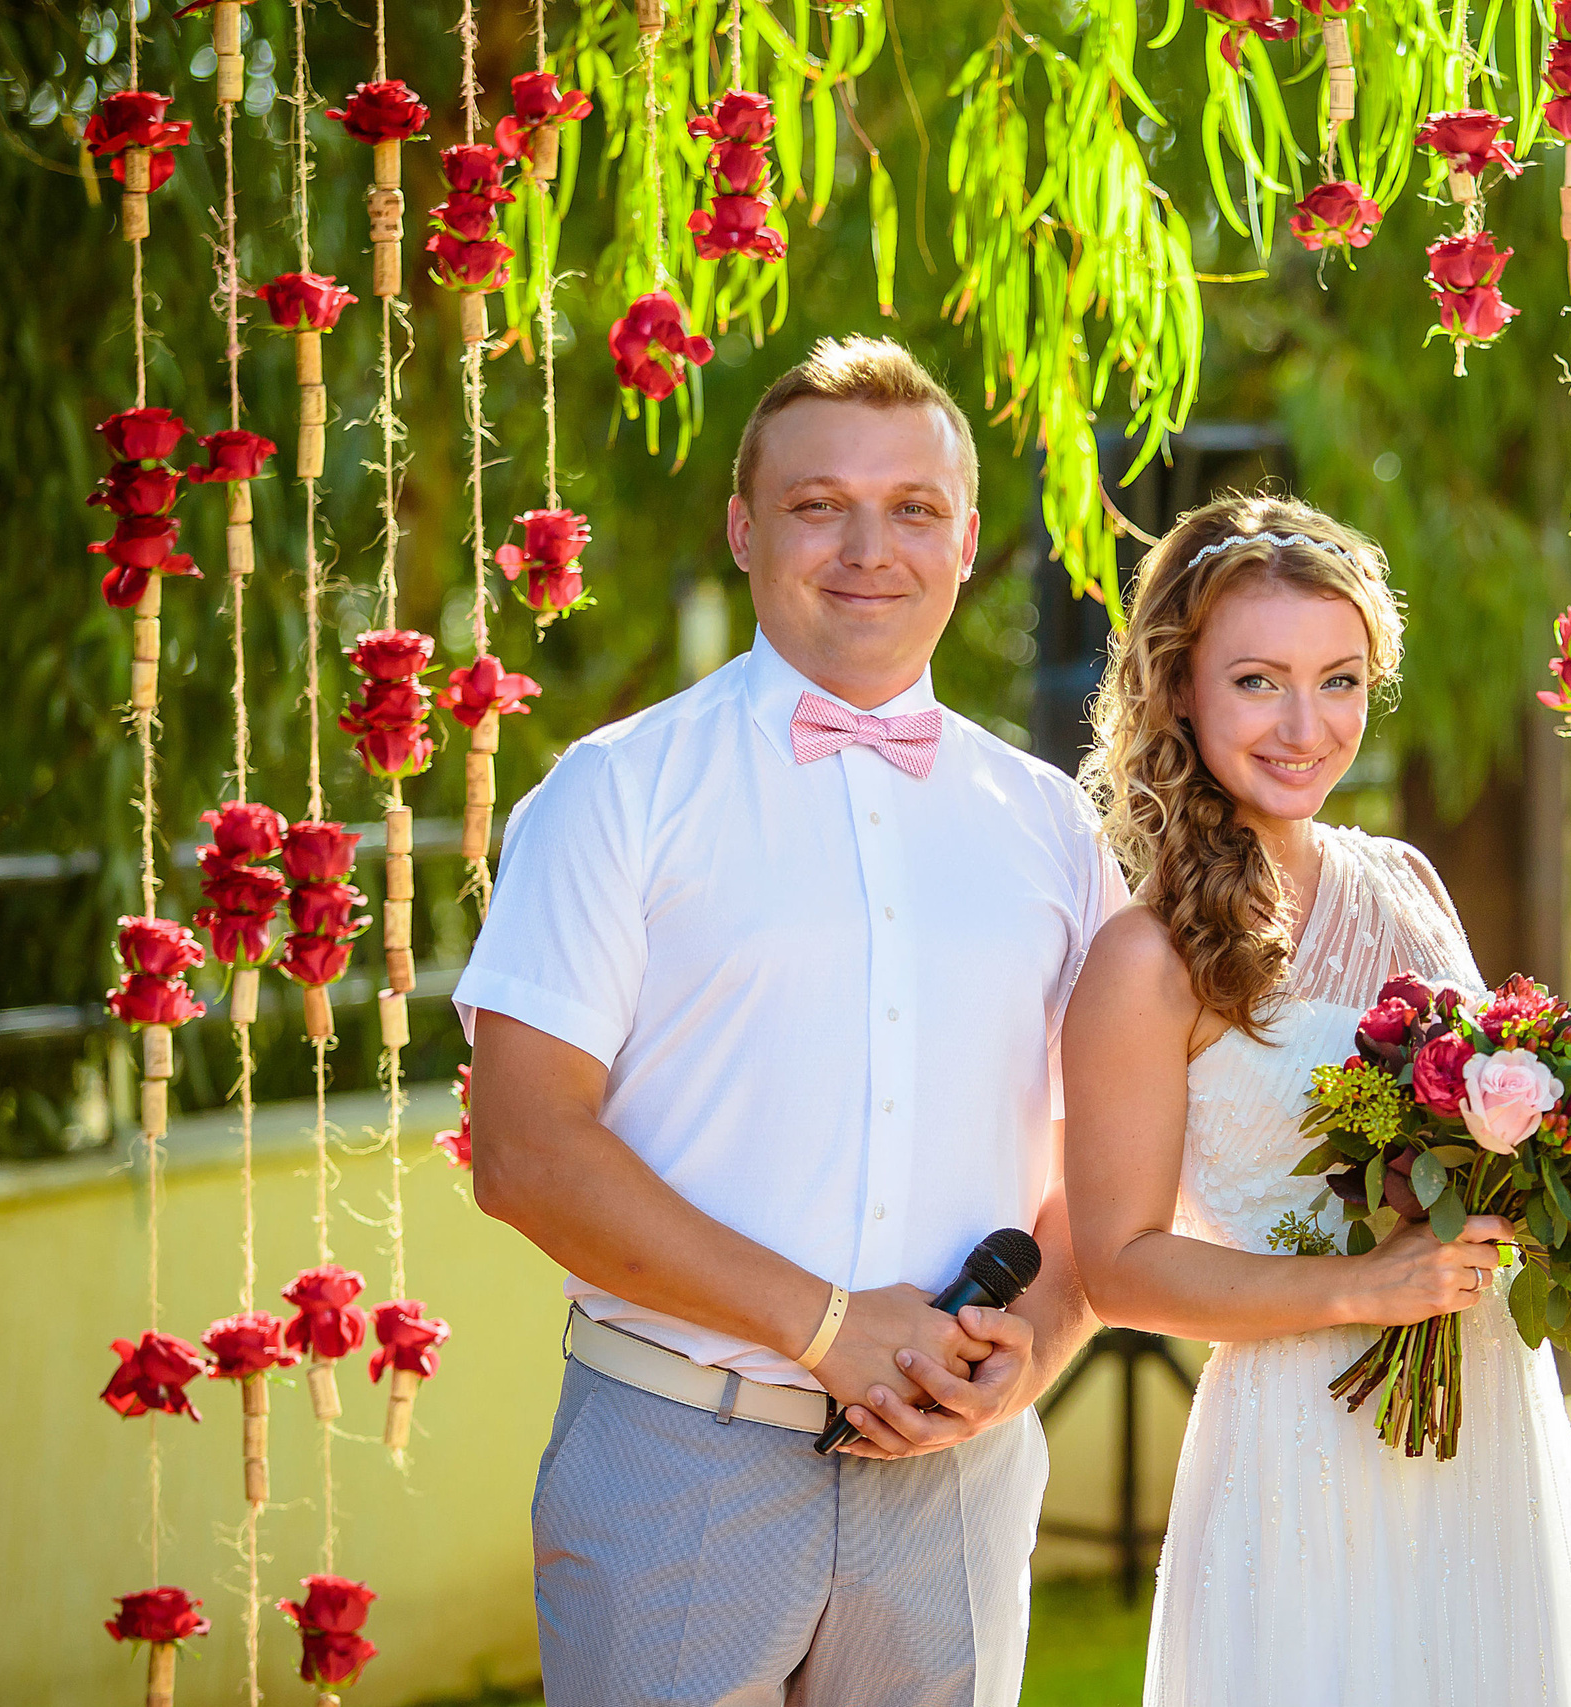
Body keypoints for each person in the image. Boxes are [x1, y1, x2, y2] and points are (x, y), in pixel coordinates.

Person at [457, 335, 1121, 1707]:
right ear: (746, 529)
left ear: (968, 537)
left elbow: (1107, 1159)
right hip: (676, 1455)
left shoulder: (1053, 826)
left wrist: (1034, 1347)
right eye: (821, 503)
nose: (869, 547)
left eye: (913, 508)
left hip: (958, 1476)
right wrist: (828, 1325)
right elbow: (524, 1149)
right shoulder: (613, 794)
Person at [1063, 494, 1571, 1706]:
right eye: (1259, 681)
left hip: (1484, 1411)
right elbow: (1117, 1265)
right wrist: (1361, 1286)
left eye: (1338, 681)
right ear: (1179, 691)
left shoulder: (1405, 878)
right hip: (1303, 1436)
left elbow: (1500, 1121)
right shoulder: (1145, 956)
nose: (1305, 725)